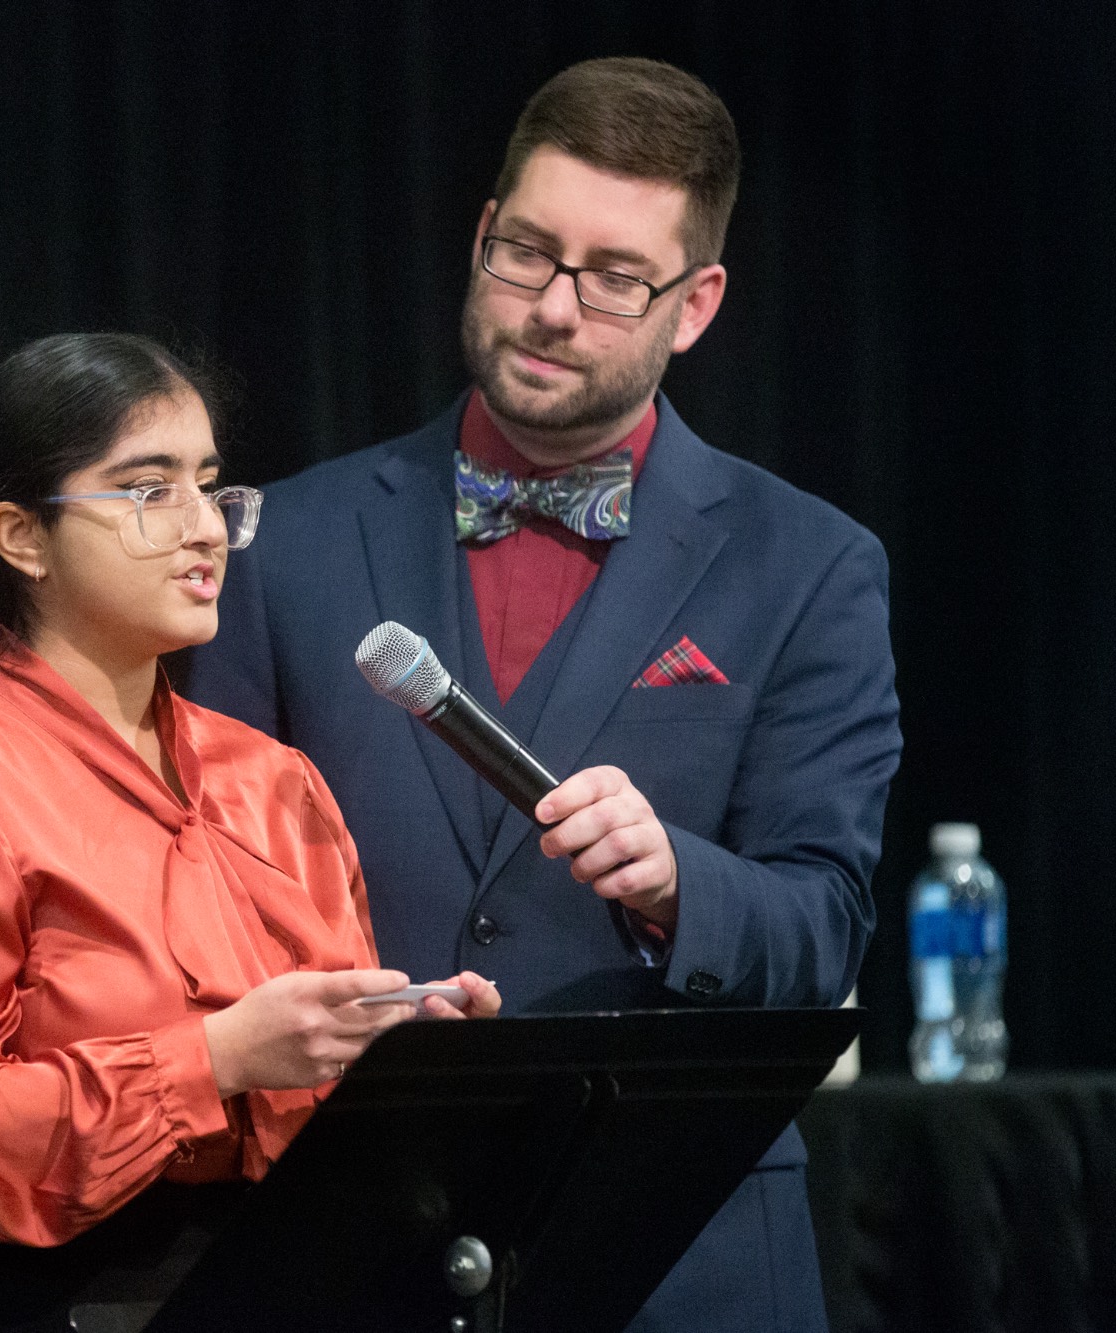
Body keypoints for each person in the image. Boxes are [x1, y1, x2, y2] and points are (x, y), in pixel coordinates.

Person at [182, 58, 901, 1333]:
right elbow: (206, 896)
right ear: (479, 237)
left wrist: (680, 881)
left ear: (696, 304)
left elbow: (821, 930)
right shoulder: (278, 545)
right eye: (526, 253)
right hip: (350, 1247)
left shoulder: (810, 565)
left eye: (616, 278)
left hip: (684, 1257)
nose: (554, 308)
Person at [0, 332, 498, 1331]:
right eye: (146, 491)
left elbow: (316, 1101)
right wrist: (211, 1058)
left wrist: (402, 1065)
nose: (203, 528)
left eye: (210, 488)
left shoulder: (272, 780)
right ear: (20, 535)